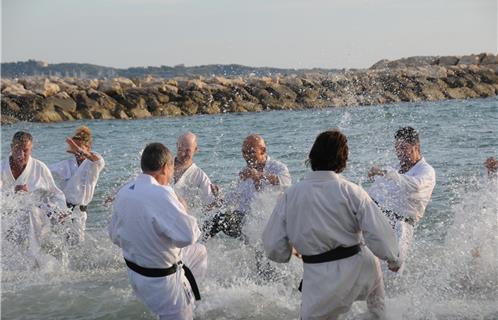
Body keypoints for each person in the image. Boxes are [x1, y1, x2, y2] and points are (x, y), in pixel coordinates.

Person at [263, 129, 401, 320]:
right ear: (343, 160)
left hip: (317, 276)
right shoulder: (352, 191)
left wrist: (286, 252)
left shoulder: (290, 195)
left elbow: (273, 246)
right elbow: (378, 233)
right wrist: (393, 259)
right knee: (377, 309)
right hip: (358, 269)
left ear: (312, 157)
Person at [109, 143, 207, 320]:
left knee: (199, 252)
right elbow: (189, 236)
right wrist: (182, 208)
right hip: (164, 285)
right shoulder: (162, 193)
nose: (171, 175)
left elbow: (115, 236)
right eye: (171, 169)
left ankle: (190, 299)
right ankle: (185, 302)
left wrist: (147, 242)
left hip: (137, 276)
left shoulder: (124, 191)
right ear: (165, 167)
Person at [367, 126, 436, 268]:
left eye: (404, 148)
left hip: (402, 225)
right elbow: (377, 192)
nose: (399, 153)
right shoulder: (396, 167)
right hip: (379, 220)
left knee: (395, 267)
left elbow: (413, 186)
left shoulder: (426, 171)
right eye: (397, 148)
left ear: (416, 147)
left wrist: (384, 172)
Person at [205, 134, 291, 238]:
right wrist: (217, 200)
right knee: (218, 219)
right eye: (244, 152)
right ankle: (196, 245)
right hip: (243, 220)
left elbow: (286, 182)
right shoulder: (246, 172)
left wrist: (260, 176)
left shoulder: (277, 167)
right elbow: (235, 196)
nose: (247, 156)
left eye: (251, 152)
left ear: (262, 150)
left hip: (267, 221)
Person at [0, 131, 67, 260]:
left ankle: (35, 258)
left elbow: (56, 195)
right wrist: (12, 191)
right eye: (17, 149)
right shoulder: (1, 168)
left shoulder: (40, 168)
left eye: (25, 150)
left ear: (31, 149)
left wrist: (60, 211)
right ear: (11, 147)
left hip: (35, 222)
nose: (21, 155)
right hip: (7, 221)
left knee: (31, 211)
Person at [50, 126, 105, 242]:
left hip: (80, 212)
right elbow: (44, 171)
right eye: (75, 150)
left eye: (80, 148)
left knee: (77, 245)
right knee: (60, 244)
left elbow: (95, 159)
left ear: (88, 147)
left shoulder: (95, 163)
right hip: (63, 210)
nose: (77, 152)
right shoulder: (66, 164)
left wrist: (79, 149)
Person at [173, 132, 218, 210]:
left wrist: (217, 197)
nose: (183, 154)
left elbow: (209, 207)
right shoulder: (163, 167)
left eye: (188, 151)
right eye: (180, 149)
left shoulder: (200, 177)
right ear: (176, 145)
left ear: (195, 150)